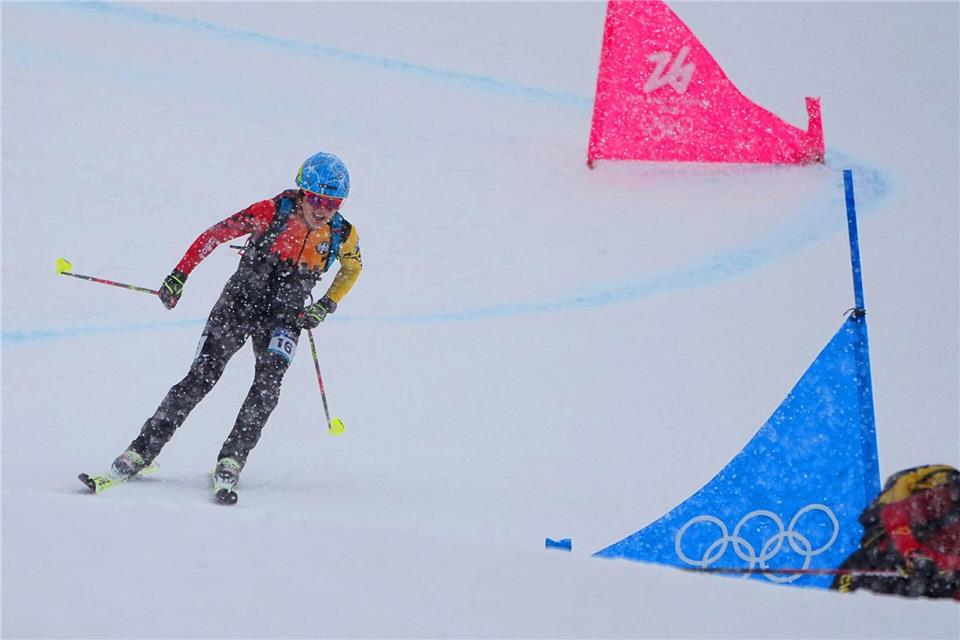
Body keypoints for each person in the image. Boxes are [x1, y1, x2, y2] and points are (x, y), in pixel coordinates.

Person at [82, 151, 362, 504]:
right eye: (317, 199)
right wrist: (179, 275)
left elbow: (352, 269)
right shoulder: (270, 212)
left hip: (285, 317)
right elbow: (215, 235)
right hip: (238, 306)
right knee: (202, 376)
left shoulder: (341, 234)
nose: (323, 209)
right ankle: (141, 451)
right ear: (302, 192)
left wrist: (325, 305)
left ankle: (233, 458)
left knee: (268, 386)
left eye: (333, 203)